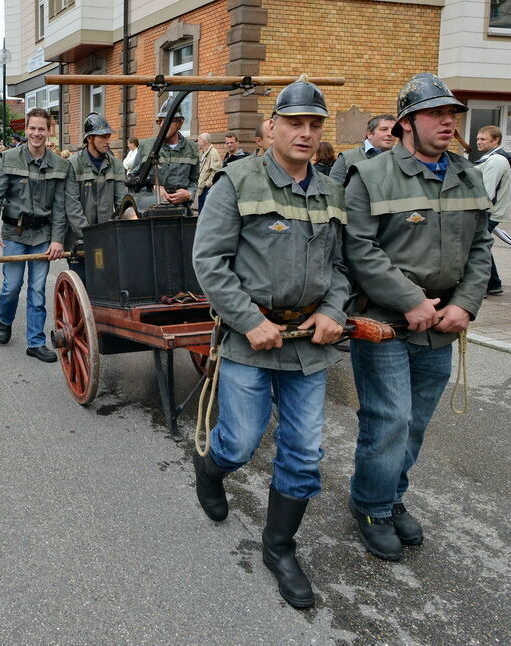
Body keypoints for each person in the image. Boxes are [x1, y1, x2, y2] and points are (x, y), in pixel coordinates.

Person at [191, 78, 348, 610]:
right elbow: (209, 261)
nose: (305, 133)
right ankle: (211, 468)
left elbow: (342, 266)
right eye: (295, 123)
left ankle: (279, 547)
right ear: (273, 126)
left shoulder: (331, 191)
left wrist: (332, 311)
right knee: (240, 441)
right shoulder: (237, 180)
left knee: (303, 453)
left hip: (308, 344)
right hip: (250, 339)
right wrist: (248, 320)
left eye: (314, 125)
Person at [343, 73, 492, 562]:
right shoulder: (371, 175)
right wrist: (410, 300)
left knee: (415, 423)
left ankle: (390, 495)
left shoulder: (467, 174)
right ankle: (371, 507)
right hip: (385, 322)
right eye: (435, 114)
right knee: (389, 420)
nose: (448, 122)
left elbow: (481, 246)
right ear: (406, 122)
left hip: (442, 323)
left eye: (452, 114)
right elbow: (359, 248)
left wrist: (465, 303)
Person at [0, 107, 68, 363]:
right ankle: (5, 319)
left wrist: (57, 239)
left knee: (37, 289)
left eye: (41, 129)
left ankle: (35, 342)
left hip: (42, 235)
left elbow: (61, 207)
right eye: (32, 128)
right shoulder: (9, 158)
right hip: (14, 234)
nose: (36, 133)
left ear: (48, 131)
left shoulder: (59, 165)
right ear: (26, 130)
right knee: (11, 286)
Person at [64, 113, 124, 280]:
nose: (108, 141)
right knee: (82, 284)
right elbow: (72, 206)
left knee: (105, 284)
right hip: (79, 242)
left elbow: (122, 202)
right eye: (103, 136)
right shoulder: (72, 165)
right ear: (90, 138)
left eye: (109, 136)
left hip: (107, 239)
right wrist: (89, 237)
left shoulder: (116, 165)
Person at [132, 97, 200, 209]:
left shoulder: (192, 149)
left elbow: (194, 180)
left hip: (180, 210)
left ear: (180, 123)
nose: (162, 124)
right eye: (160, 120)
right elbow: (133, 180)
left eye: (168, 120)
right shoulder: (147, 146)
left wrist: (189, 194)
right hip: (151, 209)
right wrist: (153, 188)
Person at [476, 125, 511, 295]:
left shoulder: (496, 160)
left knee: (476, 246)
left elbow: (487, 191)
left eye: (483, 139)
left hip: (489, 212)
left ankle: (482, 286)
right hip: (489, 211)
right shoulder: (490, 158)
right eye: (478, 138)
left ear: (496, 140)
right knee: (481, 245)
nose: (479, 142)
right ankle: (493, 284)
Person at [329, 114, 397, 183]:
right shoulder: (347, 158)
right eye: (384, 129)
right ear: (370, 134)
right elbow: (333, 187)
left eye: (394, 130)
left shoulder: (400, 158)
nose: (390, 133)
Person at [196, 132, 223, 213]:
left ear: (204, 141)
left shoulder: (213, 152)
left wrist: (207, 184)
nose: (197, 142)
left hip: (207, 189)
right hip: (201, 188)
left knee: (205, 213)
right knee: (201, 213)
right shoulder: (203, 153)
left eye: (199, 140)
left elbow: (217, 170)